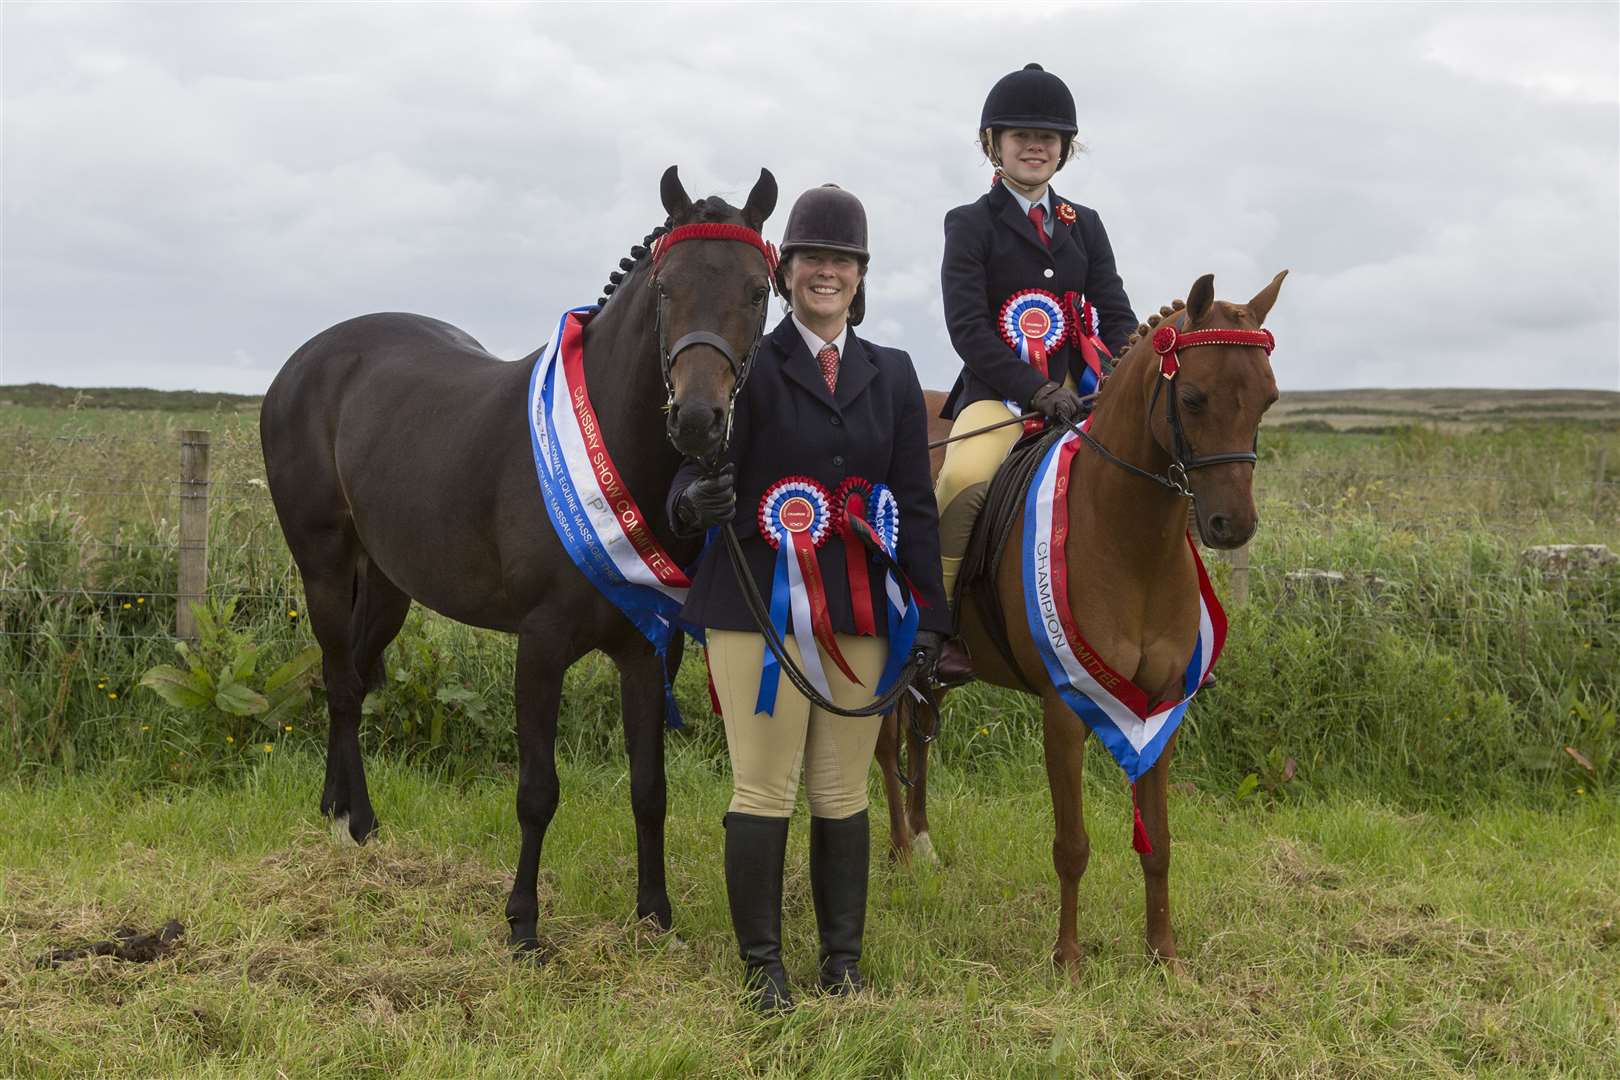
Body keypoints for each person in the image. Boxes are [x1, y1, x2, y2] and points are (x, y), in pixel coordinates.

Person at [667, 184, 949, 1012]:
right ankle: (762, 969)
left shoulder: (892, 375)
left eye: (843, 261)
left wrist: (929, 611)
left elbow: (915, 500)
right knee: (761, 788)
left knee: (842, 791)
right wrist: (694, 504)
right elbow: (690, 469)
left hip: (861, 608)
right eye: (812, 260)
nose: (827, 273)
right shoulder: (747, 364)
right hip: (756, 601)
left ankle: (842, 964)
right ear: (785, 272)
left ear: (860, 276)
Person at [934, 62, 1138, 679]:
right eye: (1020, 134)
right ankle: (938, 628)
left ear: (1064, 149)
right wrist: (1036, 388)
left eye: (1048, 137)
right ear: (992, 143)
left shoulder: (1087, 225)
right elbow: (968, 329)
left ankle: (1159, 630)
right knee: (964, 479)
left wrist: (1119, 384)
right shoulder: (970, 224)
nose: (1035, 145)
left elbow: (1118, 314)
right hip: (999, 397)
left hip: (1084, 399)